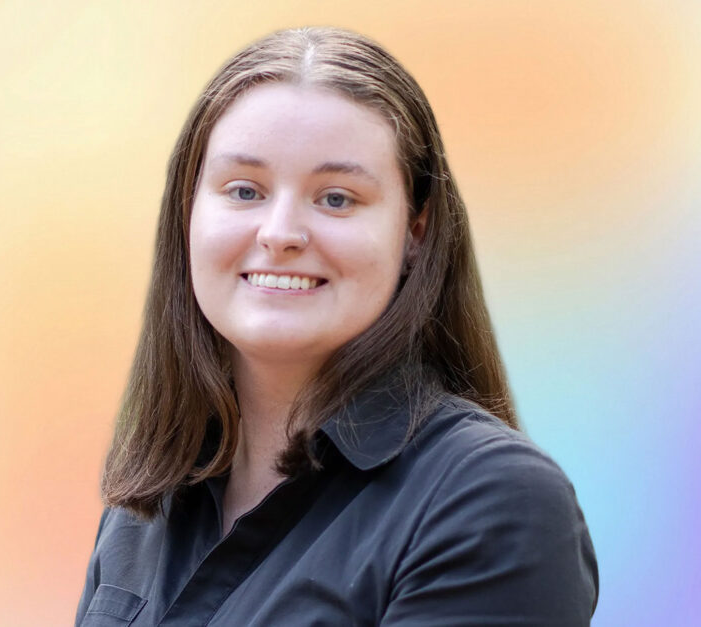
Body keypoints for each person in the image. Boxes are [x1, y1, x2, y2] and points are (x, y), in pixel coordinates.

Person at [75, 26, 598, 626]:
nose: (280, 233)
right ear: (187, 214)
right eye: (244, 190)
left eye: (337, 198)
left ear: (416, 231)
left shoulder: (491, 503)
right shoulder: (144, 510)